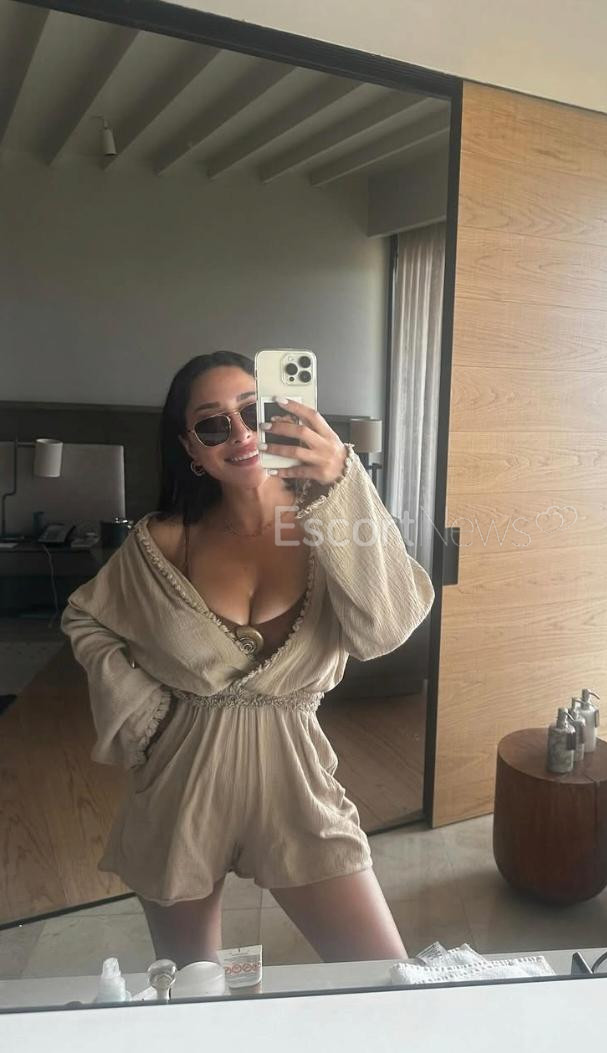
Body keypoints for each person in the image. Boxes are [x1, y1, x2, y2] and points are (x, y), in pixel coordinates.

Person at [61, 351, 435, 967]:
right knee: (192, 991)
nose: (239, 434)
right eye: (213, 424)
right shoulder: (161, 542)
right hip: (179, 784)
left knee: (382, 976)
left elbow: (386, 628)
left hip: (296, 782)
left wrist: (343, 480)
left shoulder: (333, 521)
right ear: (191, 448)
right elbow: (86, 615)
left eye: (253, 411)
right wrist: (140, 712)